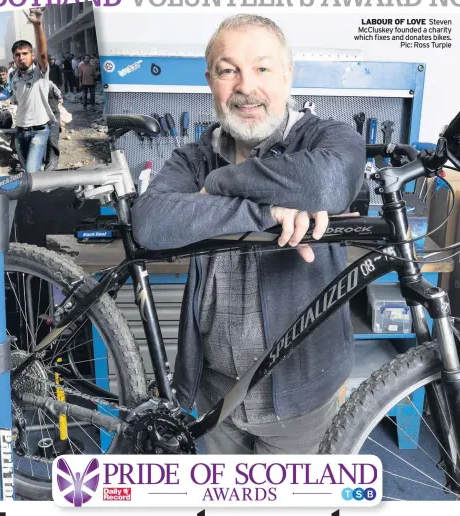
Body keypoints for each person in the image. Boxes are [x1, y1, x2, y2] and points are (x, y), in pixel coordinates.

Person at [131, 14, 365, 455]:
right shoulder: (193, 158)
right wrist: (265, 211)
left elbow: (329, 185)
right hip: (212, 397)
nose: (245, 86)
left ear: (288, 74)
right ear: (210, 81)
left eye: (262, 68)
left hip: (301, 398)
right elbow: (150, 223)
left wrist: (219, 187)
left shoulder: (326, 138)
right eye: (228, 70)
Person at [8, 8, 54, 174]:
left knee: (31, 172)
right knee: (28, 170)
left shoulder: (39, 72)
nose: (21, 57)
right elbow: (16, 98)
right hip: (20, 131)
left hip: (39, 131)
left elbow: (43, 53)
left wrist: (37, 25)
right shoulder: (14, 77)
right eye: (17, 55)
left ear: (31, 55)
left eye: (25, 53)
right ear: (14, 58)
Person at [44, 81, 63, 170]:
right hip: (40, 117)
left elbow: (60, 97)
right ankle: (46, 162)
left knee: (52, 140)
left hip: (54, 116)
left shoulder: (50, 84)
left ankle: (51, 166)